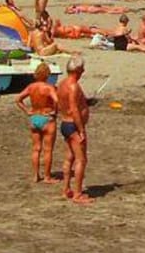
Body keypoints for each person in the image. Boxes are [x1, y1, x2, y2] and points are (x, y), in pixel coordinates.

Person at [17, 63, 60, 184]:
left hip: (34, 118)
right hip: (46, 118)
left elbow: (18, 99)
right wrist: (54, 111)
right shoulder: (49, 88)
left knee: (36, 149)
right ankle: (47, 176)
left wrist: (27, 110)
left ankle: (35, 175)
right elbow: (57, 100)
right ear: (47, 75)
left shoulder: (31, 87)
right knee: (48, 150)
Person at [57, 56, 92, 204]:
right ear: (78, 70)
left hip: (65, 123)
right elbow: (74, 109)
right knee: (81, 159)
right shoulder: (73, 86)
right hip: (73, 125)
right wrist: (81, 130)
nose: (83, 71)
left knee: (69, 157)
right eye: (82, 69)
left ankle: (66, 189)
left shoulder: (62, 84)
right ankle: (77, 194)